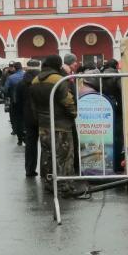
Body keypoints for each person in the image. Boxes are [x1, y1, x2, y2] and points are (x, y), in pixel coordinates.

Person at [30, 55, 79, 196]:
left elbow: (33, 105)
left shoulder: (35, 80)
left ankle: (49, 183)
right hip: (61, 124)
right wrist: (74, 113)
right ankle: (65, 185)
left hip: (43, 125)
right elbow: (67, 101)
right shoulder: (59, 80)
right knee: (64, 156)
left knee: (47, 155)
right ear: (58, 65)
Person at [16, 59, 41, 177]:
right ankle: (46, 170)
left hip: (28, 116)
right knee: (46, 144)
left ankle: (29, 169)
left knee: (30, 143)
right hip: (43, 115)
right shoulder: (42, 81)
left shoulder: (21, 83)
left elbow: (18, 102)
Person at [4, 62, 25, 141]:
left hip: (14, 100)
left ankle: (17, 133)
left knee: (15, 117)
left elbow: (5, 89)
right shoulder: (26, 75)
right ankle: (24, 131)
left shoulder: (11, 78)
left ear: (15, 68)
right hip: (26, 101)